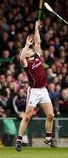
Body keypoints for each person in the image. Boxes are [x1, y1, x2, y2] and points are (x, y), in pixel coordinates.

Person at [15, 21, 56, 151]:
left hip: (43, 90)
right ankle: (19, 140)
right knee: (27, 116)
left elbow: (37, 42)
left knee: (51, 115)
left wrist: (35, 28)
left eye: (28, 50)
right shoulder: (25, 63)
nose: (27, 51)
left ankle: (48, 139)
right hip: (33, 91)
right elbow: (21, 58)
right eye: (26, 51)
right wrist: (26, 46)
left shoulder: (37, 56)